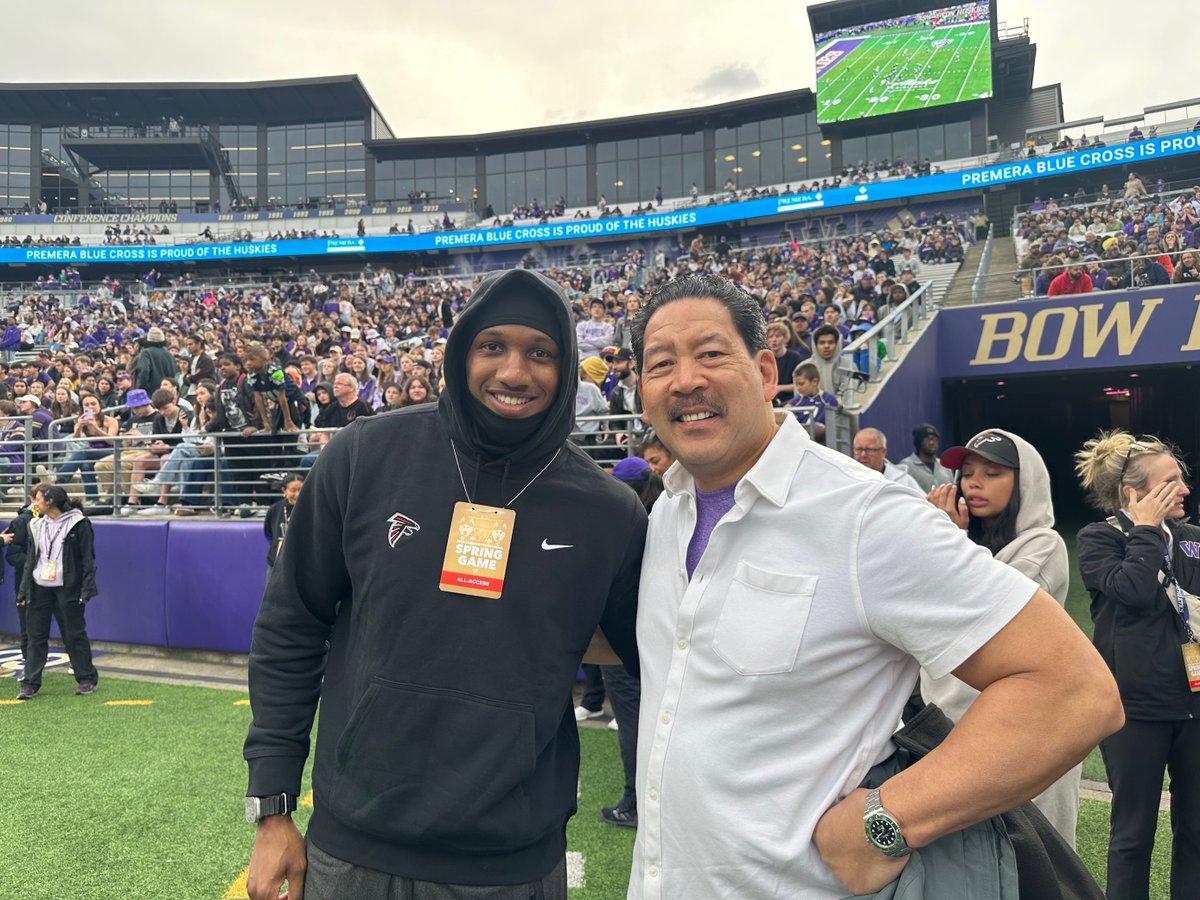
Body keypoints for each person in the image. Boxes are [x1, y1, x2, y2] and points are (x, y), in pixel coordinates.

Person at [626, 273, 1122, 898]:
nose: (685, 379)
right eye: (660, 363)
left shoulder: (864, 514)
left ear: (765, 370)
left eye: (710, 353)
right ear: (643, 394)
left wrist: (888, 820)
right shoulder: (668, 513)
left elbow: (1073, 690)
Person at [243, 268, 645, 900]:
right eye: (493, 347)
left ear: (566, 368)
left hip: (509, 867)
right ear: (461, 356)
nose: (514, 372)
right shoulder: (364, 454)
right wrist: (271, 806)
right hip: (351, 850)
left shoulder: (609, 511)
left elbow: (656, 655)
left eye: (540, 352)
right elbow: (292, 622)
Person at [922, 429, 1081, 846]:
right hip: (948, 726)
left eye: (992, 473)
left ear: (1023, 483)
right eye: (968, 472)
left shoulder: (1042, 544)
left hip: (1022, 734)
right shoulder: (958, 538)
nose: (973, 482)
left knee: (1032, 860)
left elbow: (989, 610)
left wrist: (945, 541)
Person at [1074, 431, 1200, 899]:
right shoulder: (1098, 539)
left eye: (1182, 479)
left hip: (1194, 704)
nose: (1185, 488)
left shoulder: (1192, 540)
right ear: (1134, 493)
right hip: (1135, 710)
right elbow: (1133, 590)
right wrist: (1145, 530)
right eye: (1171, 481)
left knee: (1196, 831)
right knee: (1132, 835)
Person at [15, 484, 99, 699]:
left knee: (74, 634)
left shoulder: (79, 524)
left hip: (67, 588)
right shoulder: (36, 524)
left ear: (50, 501)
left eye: (38, 499)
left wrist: (86, 587)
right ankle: (30, 683)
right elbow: (31, 561)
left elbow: (88, 560)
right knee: (35, 637)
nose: (34, 503)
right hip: (39, 587)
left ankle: (86, 678)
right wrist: (24, 589)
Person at [852, 426, 922, 492]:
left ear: (883, 452)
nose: (863, 455)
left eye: (869, 450)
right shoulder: (847, 479)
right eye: (859, 449)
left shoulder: (904, 482)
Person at [899, 423, 954, 494]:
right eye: (927, 439)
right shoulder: (906, 466)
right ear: (918, 442)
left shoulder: (945, 465)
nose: (932, 442)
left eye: (935, 439)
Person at [264, 473, 303, 568]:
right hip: (277, 562)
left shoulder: (312, 508)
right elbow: (268, 533)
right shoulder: (274, 509)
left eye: (300, 490)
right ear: (284, 490)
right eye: (293, 490)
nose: (297, 494)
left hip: (302, 562)